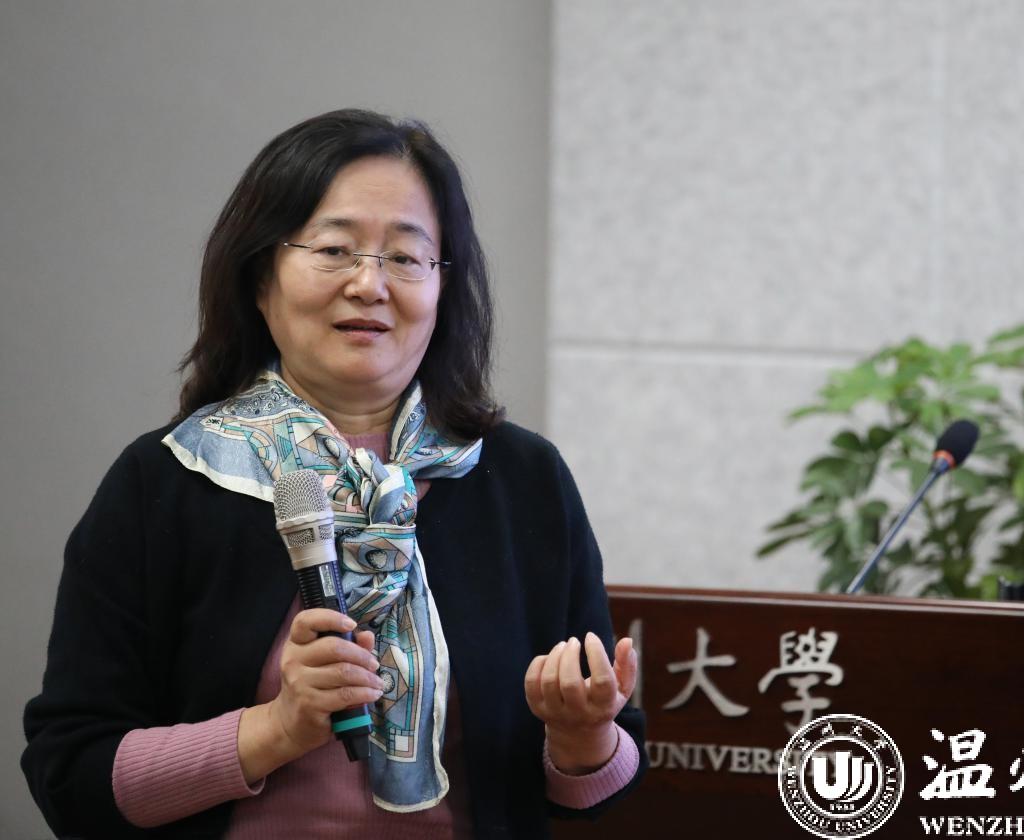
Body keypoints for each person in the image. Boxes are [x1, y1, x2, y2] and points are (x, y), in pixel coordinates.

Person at [22, 109, 646, 839]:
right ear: (261, 276)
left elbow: (599, 783)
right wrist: (276, 729)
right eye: (334, 250)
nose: (369, 284)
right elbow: (72, 779)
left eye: (407, 257)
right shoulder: (168, 482)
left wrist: (582, 738)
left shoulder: (518, 478)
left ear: (443, 288)